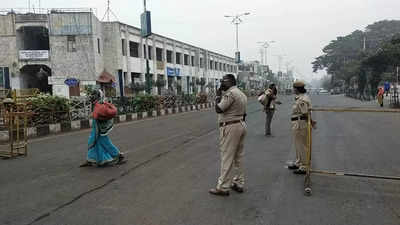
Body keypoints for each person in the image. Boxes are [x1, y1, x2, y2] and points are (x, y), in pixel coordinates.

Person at [209, 74, 247, 196]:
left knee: (227, 157)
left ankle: (223, 187)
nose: (221, 84)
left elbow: (219, 109)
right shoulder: (241, 93)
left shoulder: (230, 94)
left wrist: (218, 96)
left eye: (223, 81)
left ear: (229, 82)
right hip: (240, 124)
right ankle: (239, 182)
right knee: (238, 157)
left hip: (230, 126)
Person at [80, 90, 125, 167]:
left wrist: (98, 114)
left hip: (100, 128)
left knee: (103, 142)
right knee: (94, 142)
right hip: (96, 126)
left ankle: (117, 155)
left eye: (94, 95)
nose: (92, 97)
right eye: (92, 95)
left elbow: (106, 113)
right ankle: (91, 159)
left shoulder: (100, 104)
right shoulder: (96, 104)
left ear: (98, 96)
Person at [287, 81, 314, 174]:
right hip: (299, 122)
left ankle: (304, 166)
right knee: (298, 145)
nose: (292, 89)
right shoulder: (300, 98)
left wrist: (311, 122)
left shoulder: (302, 99)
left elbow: (305, 113)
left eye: (293, 88)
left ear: (297, 89)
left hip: (301, 123)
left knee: (303, 145)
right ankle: (299, 162)